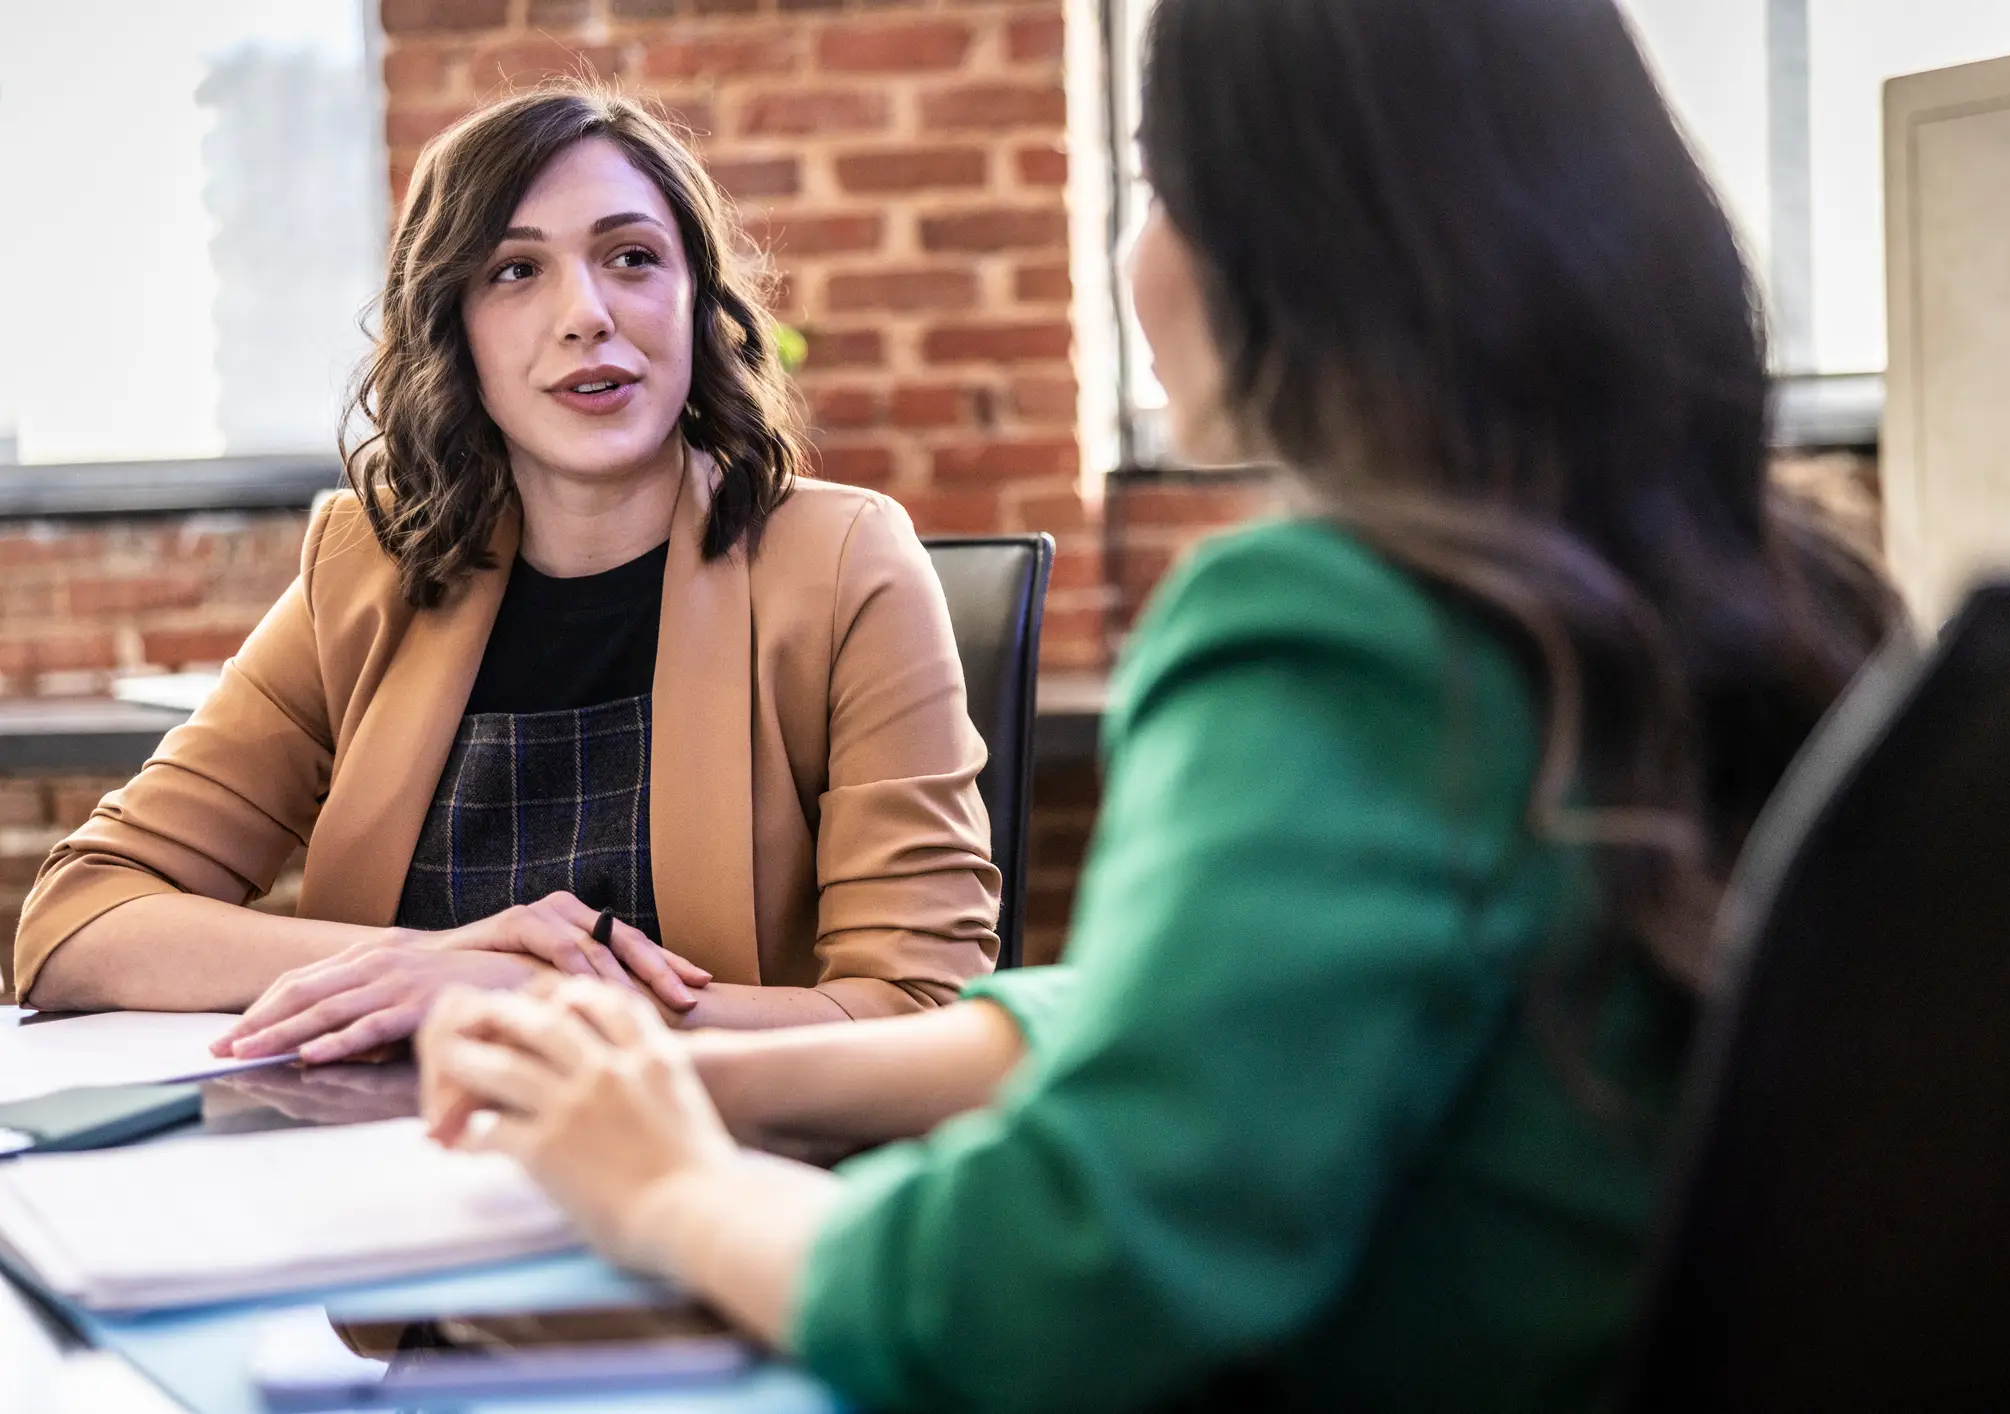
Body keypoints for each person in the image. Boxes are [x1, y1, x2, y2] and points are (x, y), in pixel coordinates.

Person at [414, 1, 1901, 1407]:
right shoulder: (1776, 587)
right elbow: (1244, 1006)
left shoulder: (1331, 629)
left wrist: (671, 1186)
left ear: (1293, 229)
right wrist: (742, 1076)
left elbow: (1047, 1287)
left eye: (1156, 186)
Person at [12, 89, 1000, 1064]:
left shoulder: (845, 563)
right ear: (454, 329)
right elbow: (76, 922)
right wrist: (428, 965)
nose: (586, 315)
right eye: (516, 270)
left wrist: (545, 998)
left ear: (696, 300)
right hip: (375, 1147)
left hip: (708, 1149)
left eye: (632, 258)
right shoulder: (364, 568)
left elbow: (926, 1019)